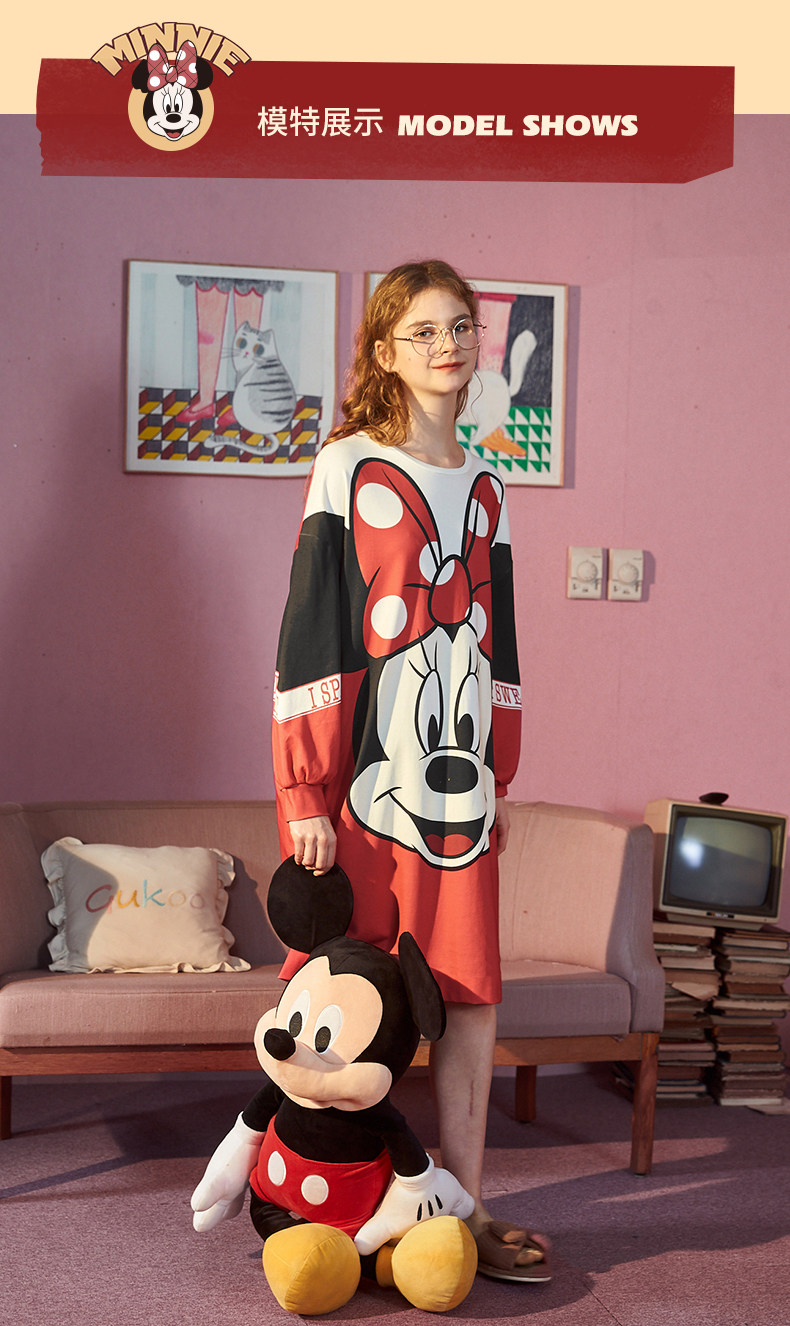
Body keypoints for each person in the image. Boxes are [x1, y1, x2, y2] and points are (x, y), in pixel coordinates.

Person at [270, 259, 550, 1283]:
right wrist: (303, 791)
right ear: (385, 352)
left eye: (461, 327)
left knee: (468, 1000)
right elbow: (310, 628)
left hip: (460, 796)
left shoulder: (488, 485)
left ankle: (463, 1208)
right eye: (424, 331)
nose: (448, 345)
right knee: (342, 1000)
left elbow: (498, 645)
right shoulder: (346, 465)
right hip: (358, 795)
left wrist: (498, 774)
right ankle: (326, 1205)